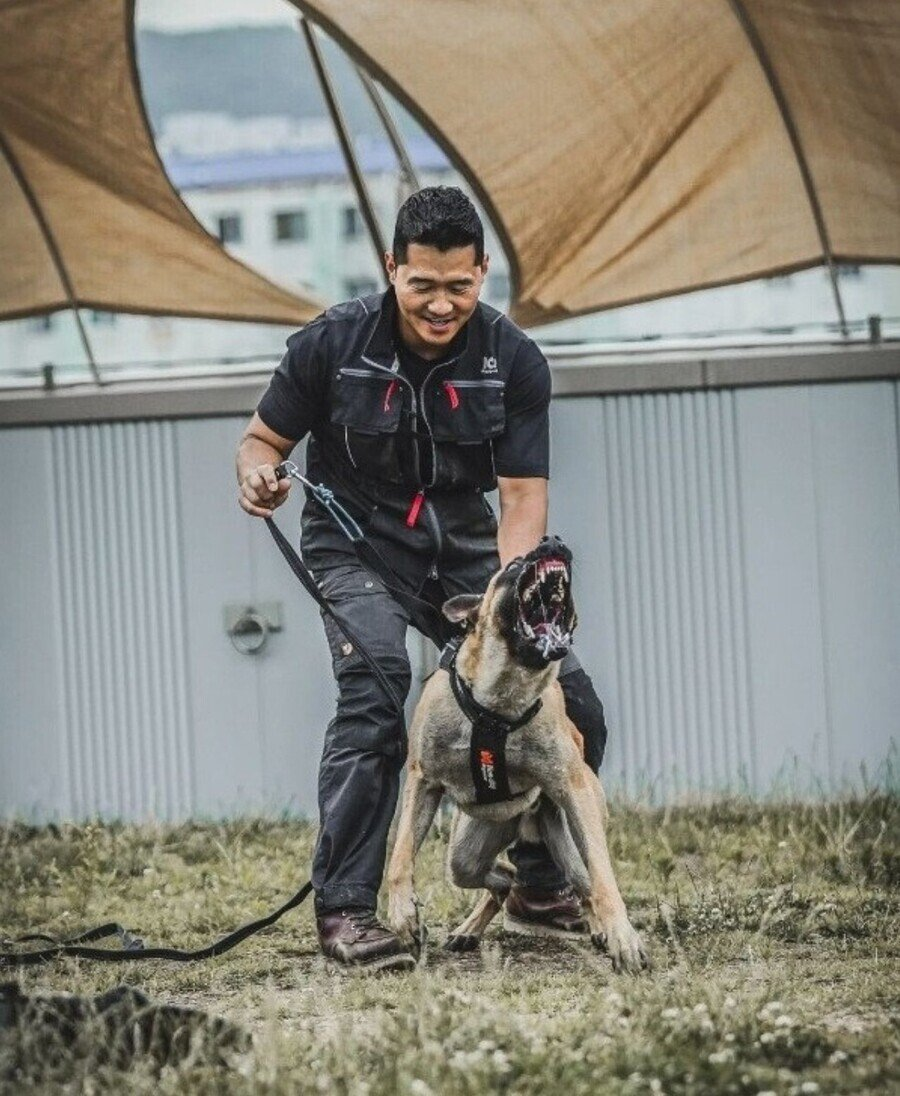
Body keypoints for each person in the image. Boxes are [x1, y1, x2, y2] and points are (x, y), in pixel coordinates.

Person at [235, 186, 609, 971]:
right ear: (391, 270)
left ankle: (539, 885)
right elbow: (260, 443)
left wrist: (507, 612)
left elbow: (520, 502)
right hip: (355, 548)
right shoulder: (329, 345)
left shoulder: (515, 363)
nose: (442, 305)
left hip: (471, 551)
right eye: (423, 285)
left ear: (482, 273)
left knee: (575, 706)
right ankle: (346, 913)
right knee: (377, 691)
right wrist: (260, 477)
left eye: (459, 287)